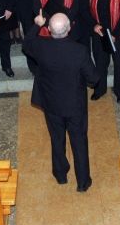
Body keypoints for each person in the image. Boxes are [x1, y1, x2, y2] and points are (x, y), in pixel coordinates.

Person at [23, 13, 98, 191]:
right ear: (69, 29)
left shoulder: (41, 46)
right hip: (75, 106)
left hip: (51, 104)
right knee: (79, 141)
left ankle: (61, 175)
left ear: (48, 29)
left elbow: (26, 44)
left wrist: (36, 25)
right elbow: (94, 78)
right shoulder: (79, 51)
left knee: (57, 139)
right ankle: (82, 182)